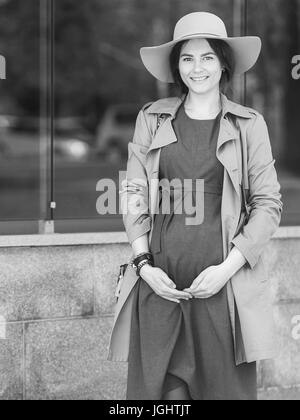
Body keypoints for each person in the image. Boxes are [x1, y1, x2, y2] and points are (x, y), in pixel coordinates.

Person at [108, 11, 283, 401]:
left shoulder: (248, 124)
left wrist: (226, 270)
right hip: (160, 288)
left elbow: (268, 204)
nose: (197, 67)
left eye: (207, 57)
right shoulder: (151, 119)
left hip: (223, 292)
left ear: (223, 63)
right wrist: (143, 266)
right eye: (187, 58)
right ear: (177, 66)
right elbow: (134, 194)